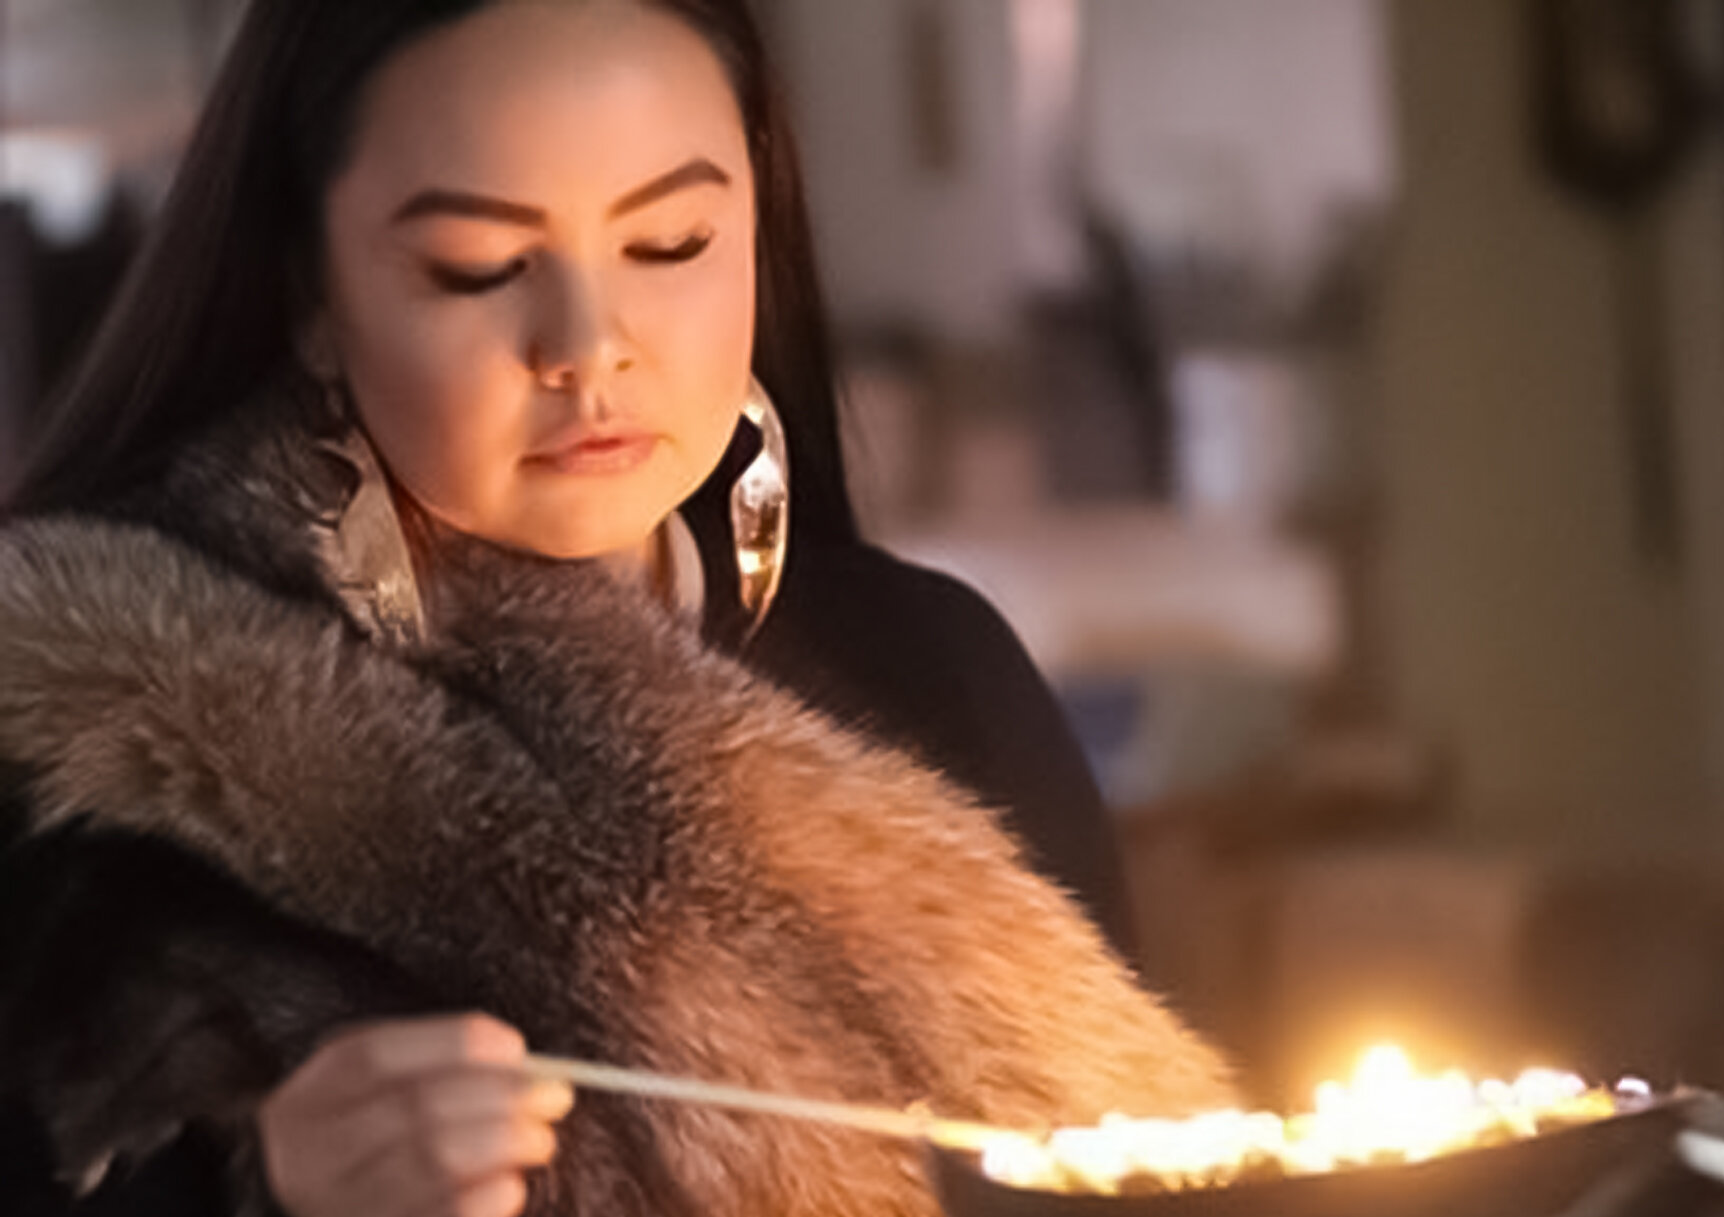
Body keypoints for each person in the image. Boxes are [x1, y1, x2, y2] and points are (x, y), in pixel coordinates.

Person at [0, 3, 1236, 1216]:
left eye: (671, 245)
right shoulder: (86, 754)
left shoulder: (936, 668)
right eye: (477, 267)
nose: (590, 346)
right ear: (310, 293)